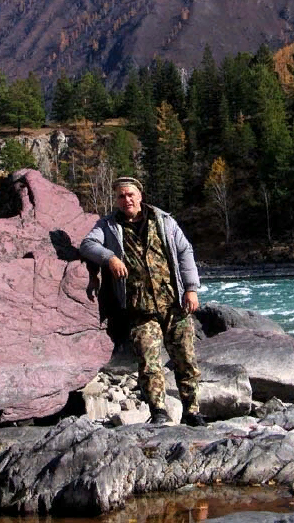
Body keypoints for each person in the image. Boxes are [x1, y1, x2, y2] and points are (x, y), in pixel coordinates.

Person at [80, 176, 206, 426]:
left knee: (186, 360)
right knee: (148, 363)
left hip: (174, 304)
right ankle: (158, 411)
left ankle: (192, 411)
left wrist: (191, 289)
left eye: (130, 195)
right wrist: (110, 258)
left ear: (140, 196)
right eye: (121, 196)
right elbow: (87, 245)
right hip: (140, 308)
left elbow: (185, 251)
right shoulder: (108, 225)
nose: (126, 199)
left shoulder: (164, 220)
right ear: (116, 199)